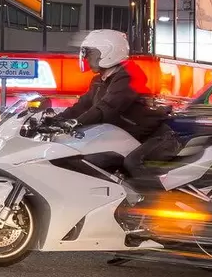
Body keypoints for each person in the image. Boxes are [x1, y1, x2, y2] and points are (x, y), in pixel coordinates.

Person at [56, 30, 180, 180]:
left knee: (134, 163)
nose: (88, 59)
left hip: (154, 137)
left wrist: (76, 122)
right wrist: (56, 119)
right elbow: (82, 106)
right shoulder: (99, 80)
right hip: (130, 137)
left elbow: (107, 107)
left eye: (92, 54)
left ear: (109, 53)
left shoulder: (129, 76)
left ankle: (156, 202)